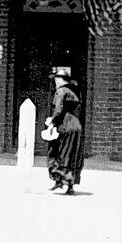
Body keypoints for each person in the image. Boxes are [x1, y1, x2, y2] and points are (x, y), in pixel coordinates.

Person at [45, 66, 84, 195]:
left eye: (57, 79)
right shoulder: (74, 91)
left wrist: (52, 120)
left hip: (65, 125)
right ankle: (69, 185)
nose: (55, 81)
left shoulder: (60, 91)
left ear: (61, 80)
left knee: (57, 153)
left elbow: (59, 109)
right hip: (76, 126)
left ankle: (59, 180)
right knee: (71, 155)